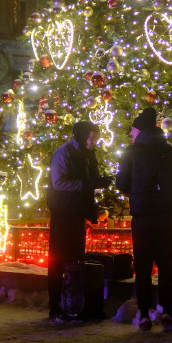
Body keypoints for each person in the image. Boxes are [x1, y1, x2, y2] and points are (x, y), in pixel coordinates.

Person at [116, 107, 172, 332]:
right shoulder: (171, 152)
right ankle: (166, 311)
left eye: (133, 129)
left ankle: (144, 314)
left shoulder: (131, 152)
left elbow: (122, 183)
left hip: (143, 217)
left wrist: (137, 191)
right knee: (166, 266)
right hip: (166, 216)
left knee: (143, 267)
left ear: (140, 130)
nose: (131, 134)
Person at [47, 121, 111, 319]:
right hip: (64, 212)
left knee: (76, 257)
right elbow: (59, 183)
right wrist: (89, 184)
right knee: (58, 258)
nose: (94, 142)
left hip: (77, 212)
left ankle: (75, 304)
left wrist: (98, 182)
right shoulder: (64, 153)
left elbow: (90, 178)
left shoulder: (87, 153)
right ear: (82, 136)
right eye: (91, 138)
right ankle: (56, 305)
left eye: (96, 138)